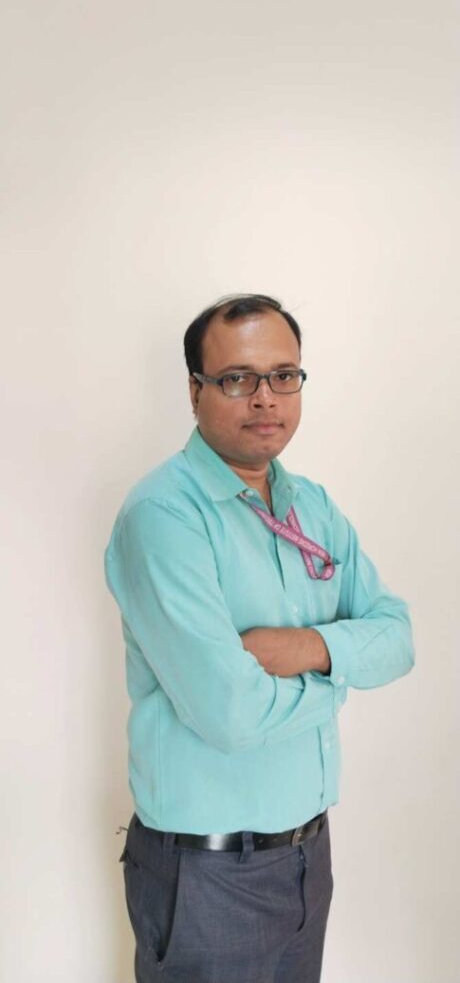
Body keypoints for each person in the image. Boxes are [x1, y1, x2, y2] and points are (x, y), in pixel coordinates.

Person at [104, 293, 414, 983]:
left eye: (283, 375)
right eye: (238, 377)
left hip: (308, 856)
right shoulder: (164, 516)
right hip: (209, 874)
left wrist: (307, 649)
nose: (265, 397)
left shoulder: (314, 506)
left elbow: (398, 637)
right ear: (195, 390)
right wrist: (342, 675)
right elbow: (232, 713)